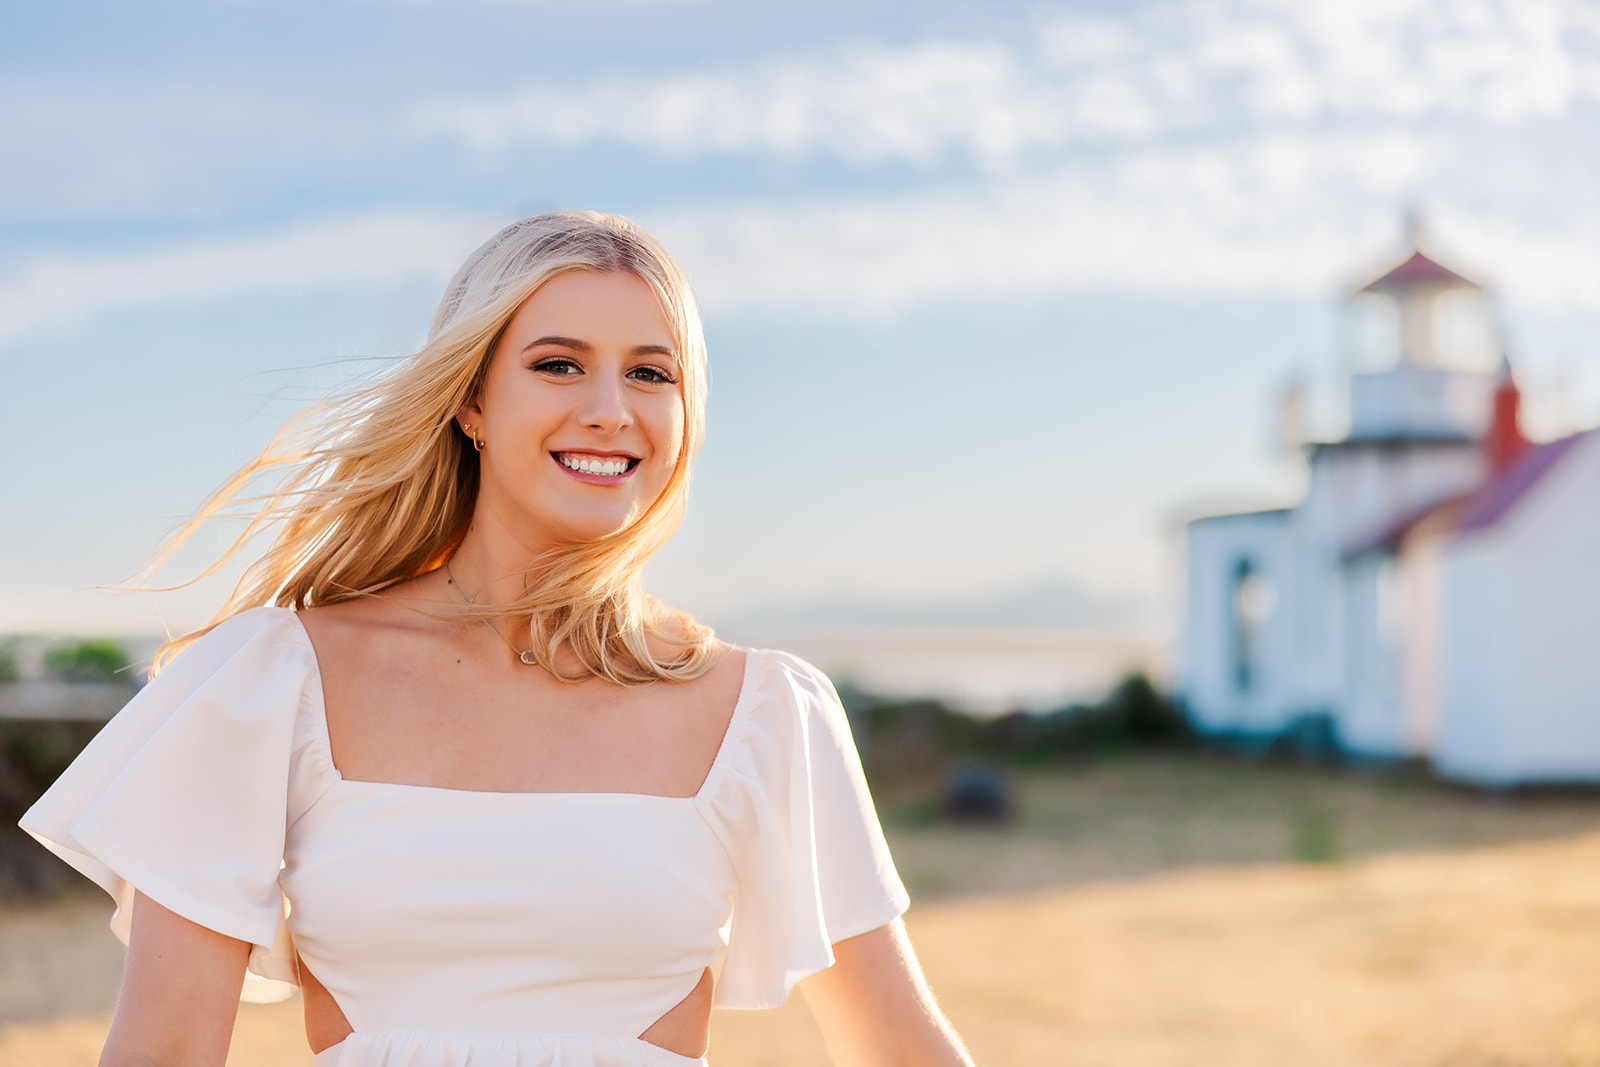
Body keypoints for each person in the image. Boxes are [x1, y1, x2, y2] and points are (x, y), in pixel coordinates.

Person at [21, 212, 976, 1067]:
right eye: (559, 363)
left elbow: (902, 1049)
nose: (611, 407)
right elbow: (164, 1050)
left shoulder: (764, 711)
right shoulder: (267, 681)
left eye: (652, 372)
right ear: (471, 402)